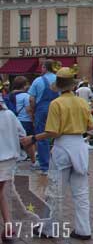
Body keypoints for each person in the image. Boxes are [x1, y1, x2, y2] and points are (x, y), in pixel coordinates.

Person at [23, 67, 93, 240]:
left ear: (59, 85)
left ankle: (48, 228)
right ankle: (83, 229)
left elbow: (53, 132)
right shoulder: (82, 102)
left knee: (55, 191)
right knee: (81, 193)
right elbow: (92, 128)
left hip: (63, 146)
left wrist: (33, 138)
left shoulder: (56, 104)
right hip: (79, 146)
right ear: (72, 85)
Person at [0, 94, 29, 242]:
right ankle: (9, 226)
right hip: (8, 161)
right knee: (2, 193)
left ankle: (9, 226)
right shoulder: (9, 114)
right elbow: (22, 135)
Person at [28, 59, 58, 175]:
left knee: (42, 136)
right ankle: (60, 162)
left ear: (45, 68)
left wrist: (33, 110)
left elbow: (31, 99)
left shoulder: (38, 80)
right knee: (59, 134)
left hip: (42, 110)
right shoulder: (59, 80)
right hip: (58, 109)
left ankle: (45, 166)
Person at [10, 76, 36, 168]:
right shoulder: (26, 96)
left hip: (15, 120)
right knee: (30, 141)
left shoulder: (10, 95)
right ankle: (33, 161)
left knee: (17, 140)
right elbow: (29, 109)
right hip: (25, 120)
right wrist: (33, 120)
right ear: (24, 85)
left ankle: (18, 157)